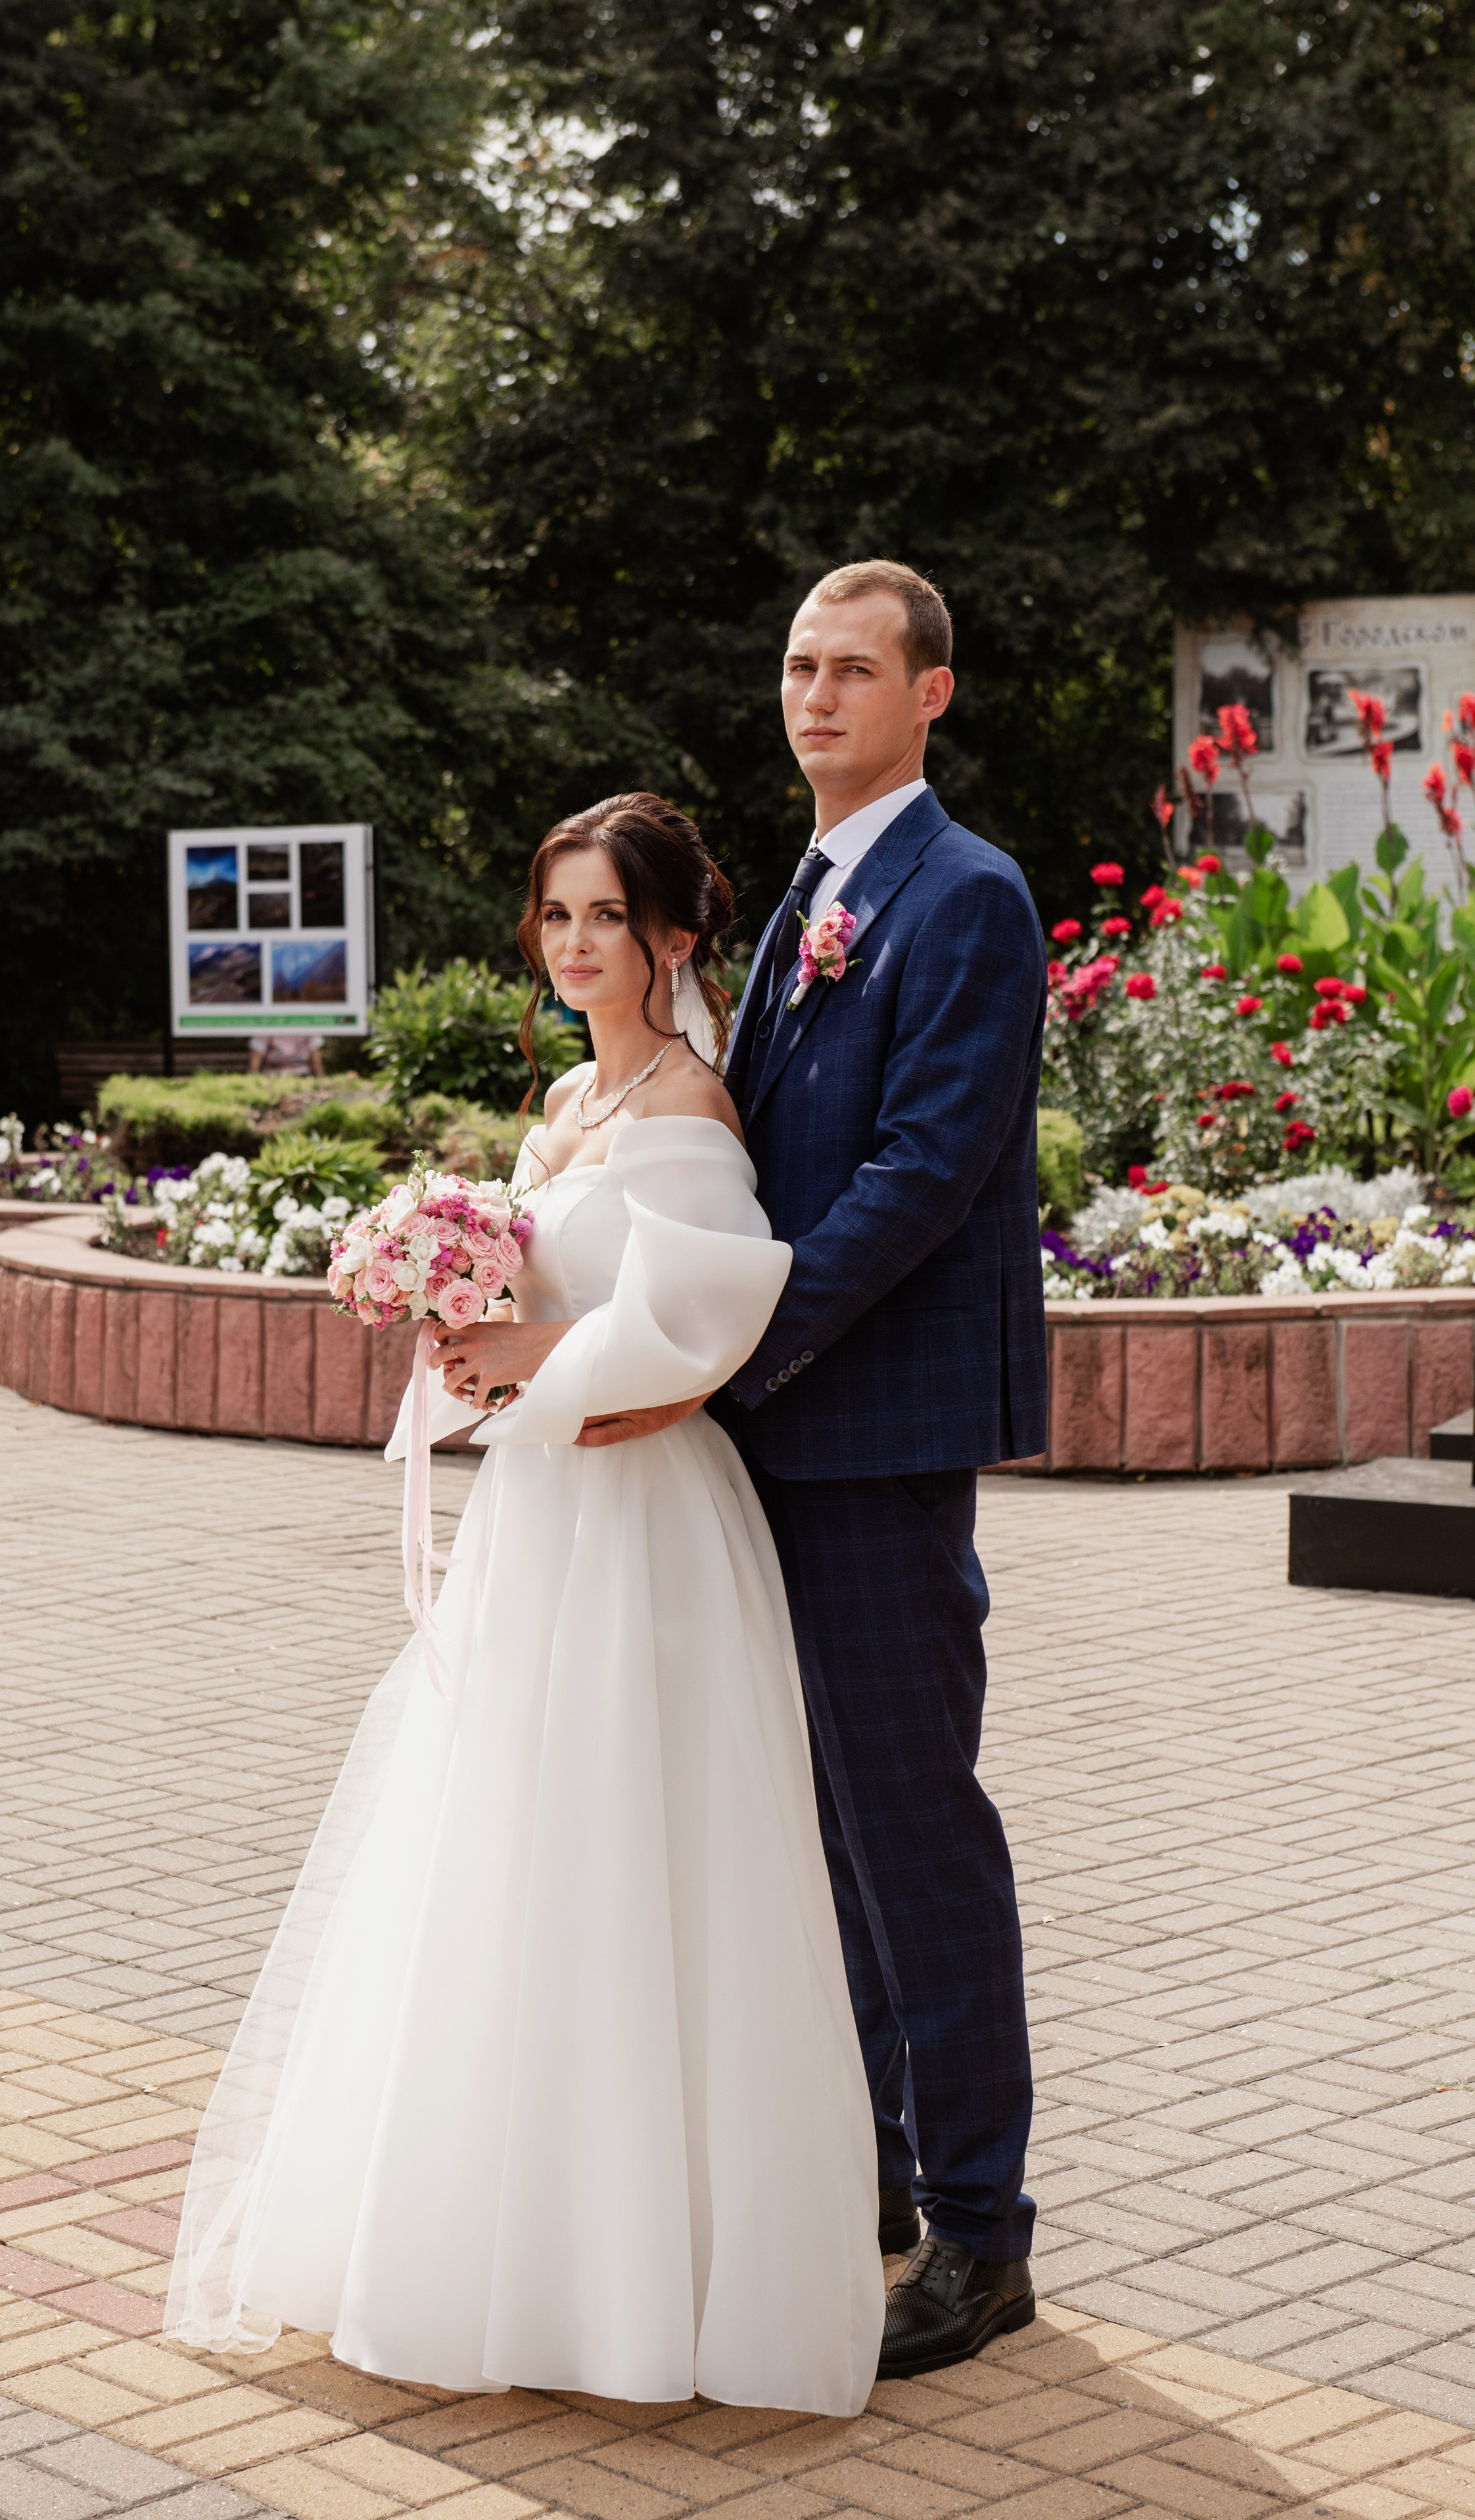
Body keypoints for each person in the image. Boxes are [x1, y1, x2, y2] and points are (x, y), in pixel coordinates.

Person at [166, 794, 885, 2415]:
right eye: (555, 915)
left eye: (605, 919)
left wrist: (533, 1363)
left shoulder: (689, 1106)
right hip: (543, 1515)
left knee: (634, 1860)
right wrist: (460, 1328)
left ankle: (638, 2282)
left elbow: (697, 1321)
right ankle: (498, 2237)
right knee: (508, 1855)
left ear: (673, 937)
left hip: (642, 1525)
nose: (574, 945)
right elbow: (550, 1288)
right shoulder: (568, 1089)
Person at [596, 560, 1048, 2380]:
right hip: (775, 1430)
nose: (816, 693)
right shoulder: (799, 896)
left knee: (916, 1825)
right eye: (797, 663)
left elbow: (926, 1172)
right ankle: (862, 2162)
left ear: (931, 694)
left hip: (873, 1435)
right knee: (820, 1828)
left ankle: (986, 2229)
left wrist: (744, 1343)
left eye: (855, 668)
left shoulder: (969, 897)